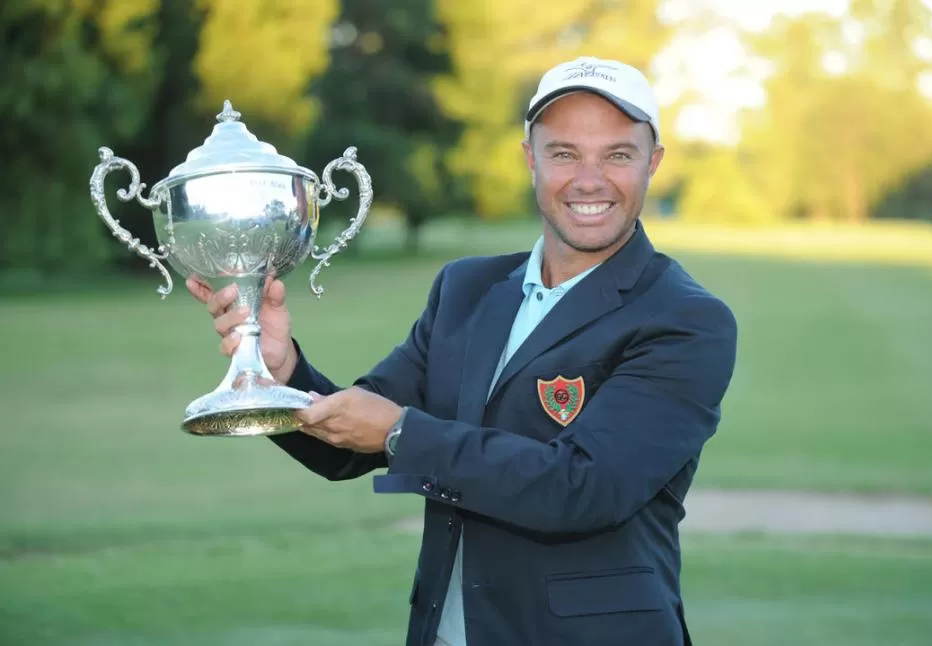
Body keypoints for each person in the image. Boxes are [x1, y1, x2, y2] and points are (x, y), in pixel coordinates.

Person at [188, 55, 738, 646]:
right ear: (530, 157)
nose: (589, 179)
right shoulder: (467, 289)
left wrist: (402, 433)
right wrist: (281, 370)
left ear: (652, 164)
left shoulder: (685, 319)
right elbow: (351, 443)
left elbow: (584, 489)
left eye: (617, 155)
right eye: (564, 153)